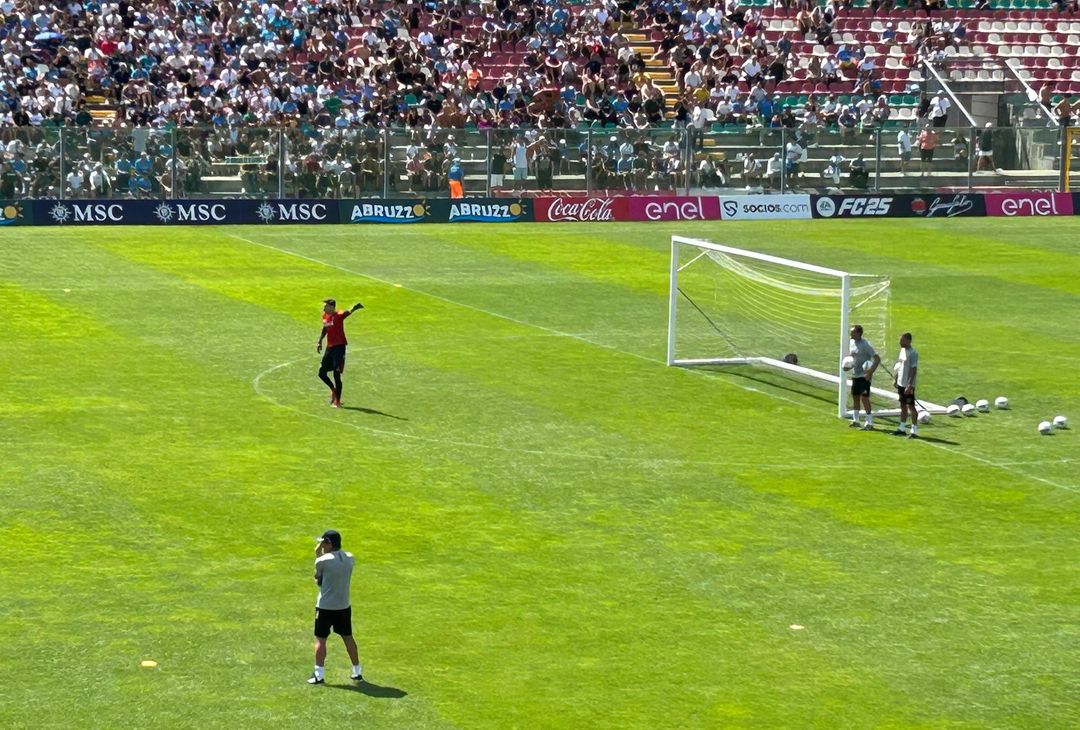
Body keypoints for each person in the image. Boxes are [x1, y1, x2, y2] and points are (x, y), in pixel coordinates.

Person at [308, 530, 363, 685]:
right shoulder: (350, 558)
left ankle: (319, 674)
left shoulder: (322, 561)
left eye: (323, 543)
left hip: (325, 606)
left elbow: (318, 581)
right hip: (343, 606)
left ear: (329, 543)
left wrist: (317, 555)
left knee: (320, 639)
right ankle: (357, 671)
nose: (321, 545)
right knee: (348, 637)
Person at [317, 298, 364, 408]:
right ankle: (333, 390)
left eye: (325, 306)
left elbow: (348, 312)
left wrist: (356, 307)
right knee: (321, 373)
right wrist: (319, 341)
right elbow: (325, 329)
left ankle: (337, 401)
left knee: (336, 374)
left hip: (339, 347)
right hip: (330, 348)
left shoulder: (339, 315)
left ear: (332, 307)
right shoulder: (325, 316)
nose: (323, 308)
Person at [848, 324, 881, 430]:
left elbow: (877, 359)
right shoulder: (851, 342)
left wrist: (870, 372)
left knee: (865, 398)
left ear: (858, 333)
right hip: (855, 375)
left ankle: (869, 422)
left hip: (864, 376)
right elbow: (852, 358)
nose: (851, 333)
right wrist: (847, 367)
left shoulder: (865, 344)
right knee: (855, 397)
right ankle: (856, 420)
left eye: (852, 332)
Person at [891, 332, 919, 439]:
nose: (899, 342)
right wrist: (896, 378)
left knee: (911, 406)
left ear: (908, 340)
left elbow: (913, 369)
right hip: (901, 383)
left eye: (902, 340)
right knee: (902, 405)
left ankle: (914, 431)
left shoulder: (913, 353)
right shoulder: (902, 351)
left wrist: (909, 385)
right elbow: (900, 365)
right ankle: (902, 428)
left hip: (908, 385)